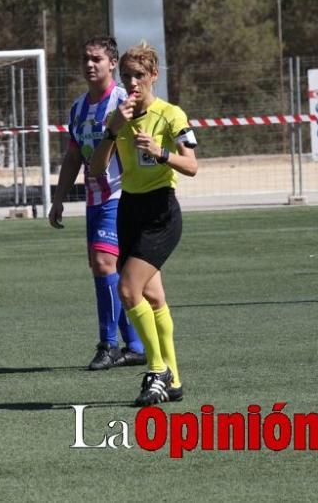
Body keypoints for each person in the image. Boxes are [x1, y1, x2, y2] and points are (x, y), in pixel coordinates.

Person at [90, 42, 197, 406]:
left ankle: (157, 369)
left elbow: (193, 165)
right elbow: (96, 169)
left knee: (127, 290)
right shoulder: (117, 117)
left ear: (154, 76)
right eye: (126, 76)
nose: (132, 82)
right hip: (128, 211)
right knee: (152, 297)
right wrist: (111, 130)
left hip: (161, 214)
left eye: (139, 75)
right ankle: (176, 380)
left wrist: (161, 152)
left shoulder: (171, 115)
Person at [48, 36, 146, 370]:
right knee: (105, 268)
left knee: (106, 264)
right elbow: (74, 155)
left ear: (112, 63)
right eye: (86, 59)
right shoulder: (78, 107)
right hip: (93, 200)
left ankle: (108, 345)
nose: (90, 65)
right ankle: (134, 345)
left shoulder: (124, 102)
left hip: (121, 197)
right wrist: (58, 199)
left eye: (97, 59)